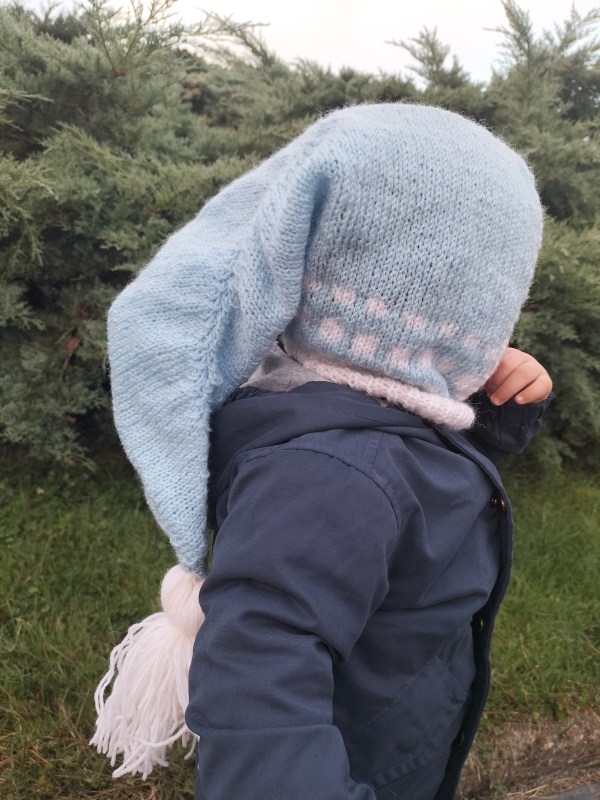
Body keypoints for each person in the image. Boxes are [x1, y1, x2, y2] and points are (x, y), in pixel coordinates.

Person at [93, 103, 552, 800]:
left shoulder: (371, 422)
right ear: (462, 309)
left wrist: (505, 404)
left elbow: (441, 462)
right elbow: (257, 699)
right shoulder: (333, 478)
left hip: (393, 739)